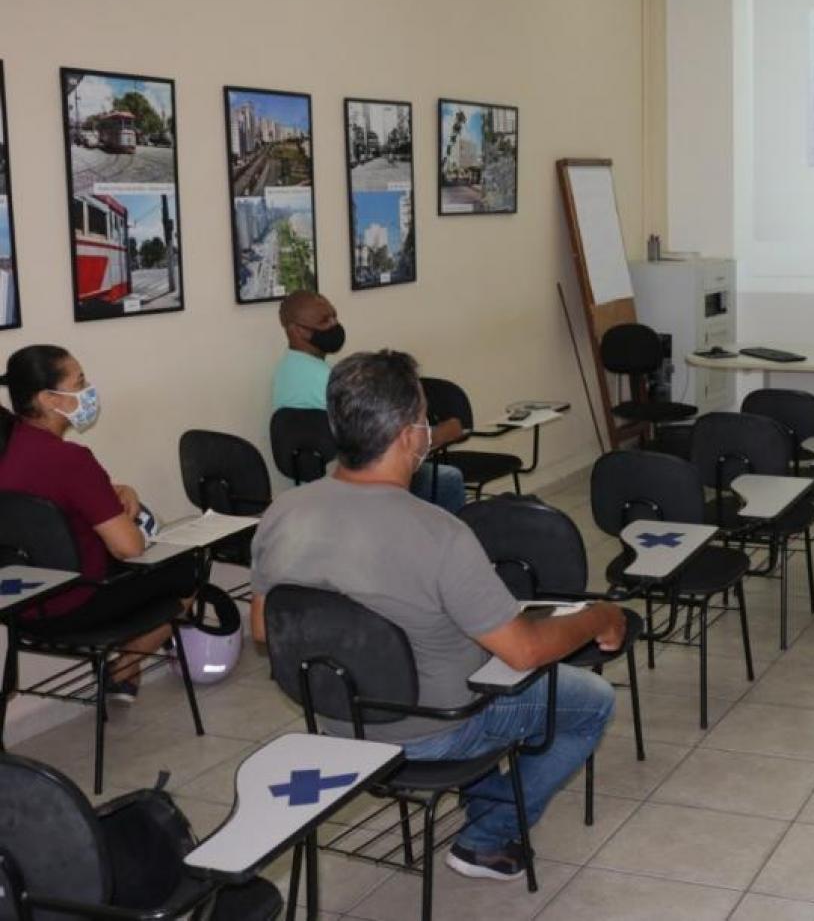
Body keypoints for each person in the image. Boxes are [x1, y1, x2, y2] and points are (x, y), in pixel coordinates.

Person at [249, 349, 623, 882]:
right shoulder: (440, 533)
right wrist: (598, 616)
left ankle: (486, 796)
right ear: (408, 434)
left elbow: (264, 629)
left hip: (334, 719)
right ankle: (487, 834)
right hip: (436, 729)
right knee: (592, 703)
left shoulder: (283, 512)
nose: (428, 430)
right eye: (424, 418)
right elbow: (524, 650)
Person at [0, 345, 196, 703]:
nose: (88, 389)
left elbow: (45, 512)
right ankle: (125, 666)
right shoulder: (70, 459)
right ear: (48, 398)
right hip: (77, 601)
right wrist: (128, 517)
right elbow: (129, 547)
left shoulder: (10, 444)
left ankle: (124, 669)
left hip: (17, 607)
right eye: (80, 382)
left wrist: (113, 494)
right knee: (192, 566)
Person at [271, 289, 468, 513]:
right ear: (297, 330)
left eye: (335, 315)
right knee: (449, 479)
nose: (335, 324)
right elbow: (386, 440)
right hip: (359, 482)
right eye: (324, 321)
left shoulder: (285, 372)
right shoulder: (330, 381)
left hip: (319, 482)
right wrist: (442, 433)